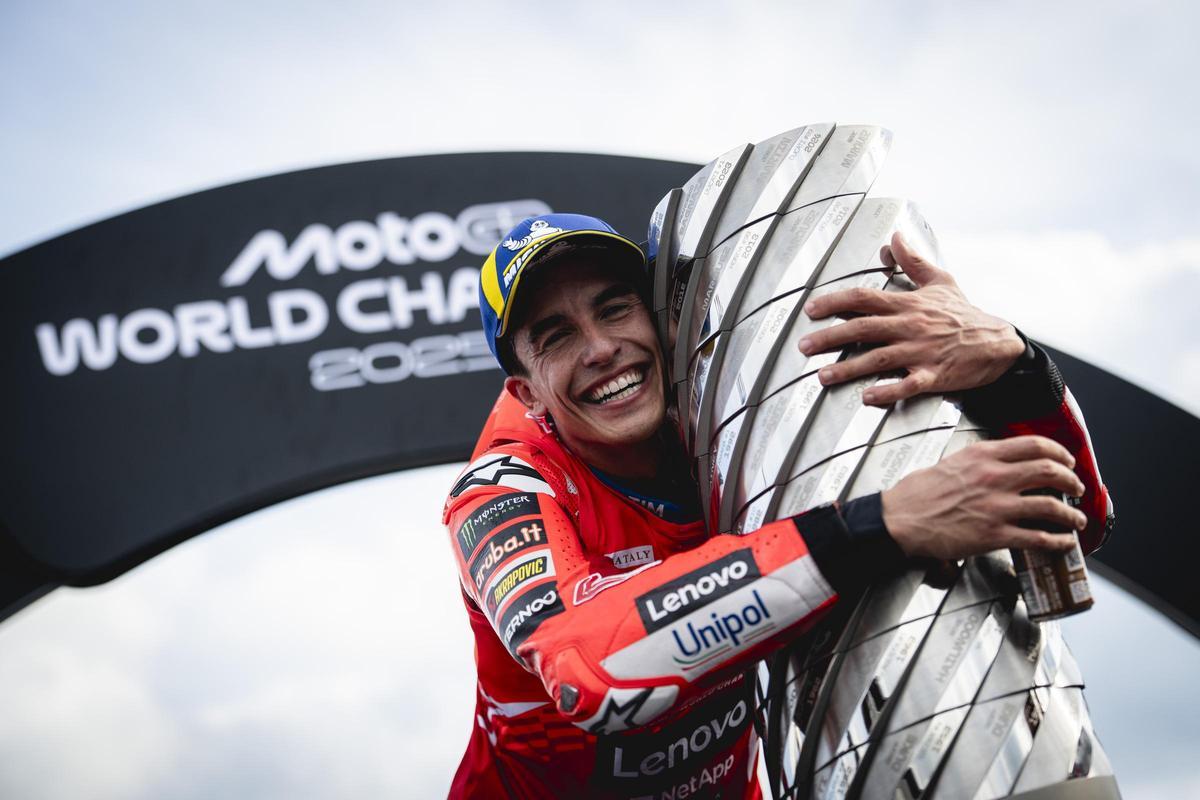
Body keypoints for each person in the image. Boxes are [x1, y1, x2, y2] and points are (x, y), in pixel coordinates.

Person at [443, 213, 1113, 799]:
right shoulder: (501, 491)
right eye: (556, 336)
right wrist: (884, 524)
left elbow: (1081, 528)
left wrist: (1012, 367)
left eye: (616, 308)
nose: (599, 348)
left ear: (658, 319)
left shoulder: (734, 424)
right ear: (526, 393)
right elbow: (590, 673)